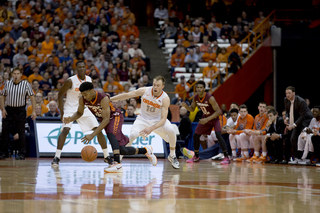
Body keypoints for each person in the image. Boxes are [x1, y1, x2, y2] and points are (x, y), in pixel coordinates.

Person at [64, 82, 157, 173]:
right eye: (83, 94)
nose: (85, 96)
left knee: (110, 133)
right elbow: (79, 113)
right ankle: (146, 150)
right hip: (105, 119)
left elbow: (106, 120)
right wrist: (70, 119)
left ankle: (117, 164)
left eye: (86, 94)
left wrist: (92, 135)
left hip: (115, 116)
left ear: (92, 90)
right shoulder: (82, 99)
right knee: (122, 150)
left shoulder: (103, 98)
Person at [110, 75, 180, 169]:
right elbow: (127, 95)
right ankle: (118, 161)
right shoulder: (145, 90)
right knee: (132, 135)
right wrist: (109, 99)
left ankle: (172, 155)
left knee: (172, 130)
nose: (155, 87)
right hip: (142, 119)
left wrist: (151, 128)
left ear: (162, 86)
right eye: (154, 85)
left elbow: (163, 119)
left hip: (157, 121)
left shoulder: (165, 98)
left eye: (158, 85)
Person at [51, 60, 111, 166]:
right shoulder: (70, 81)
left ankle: (107, 156)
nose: (82, 68)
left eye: (83, 67)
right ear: (76, 69)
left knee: (98, 130)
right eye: (79, 67)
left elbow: (91, 96)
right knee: (65, 130)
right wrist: (61, 112)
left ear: (85, 68)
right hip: (70, 108)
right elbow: (60, 95)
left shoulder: (89, 79)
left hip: (85, 108)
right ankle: (57, 157)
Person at [181, 80, 230, 164]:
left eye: (201, 87)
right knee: (196, 135)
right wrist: (186, 107)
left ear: (204, 89)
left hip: (214, 119)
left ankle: (226, 157)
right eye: (198, 88)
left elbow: (218, 112)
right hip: (205, 118)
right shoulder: (196, 98)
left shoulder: (210, 98)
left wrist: (207, 119)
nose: (199, 89)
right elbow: (192, 109)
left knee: (219, 134)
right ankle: (196, 156)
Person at [0, 67, 36, 160]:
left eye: (17, 74)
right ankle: (4, 152)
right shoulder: (7, 84)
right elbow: (2, 96)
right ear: (12, 74)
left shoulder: (26, 84)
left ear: (20, 75)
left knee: (21, 132)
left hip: (20, 110)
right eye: (14, 74)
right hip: (9, 110)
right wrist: (3, 109)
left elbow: (32, 97)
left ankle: (22, 153)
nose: (16, 75)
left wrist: (34, 111)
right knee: (5, 131)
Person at [284, 86, 313, 164]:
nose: (287, 95)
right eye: (286, 93)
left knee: (303, 138)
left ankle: (306, 158)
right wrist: (286, 118)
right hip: (298, 120)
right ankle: (297, 158)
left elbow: (302, 116)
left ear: (294, 93)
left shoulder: (301, 101)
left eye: (289, 93)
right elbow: (287, 111)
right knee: (293, 139)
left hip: (306, 120)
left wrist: (293, 125)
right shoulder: (286, 100)